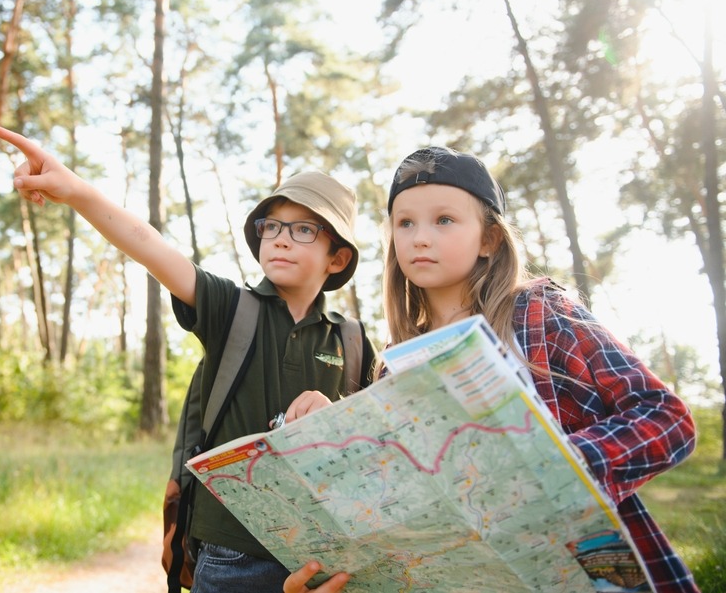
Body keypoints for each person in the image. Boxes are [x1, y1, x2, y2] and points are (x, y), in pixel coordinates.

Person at [283, 146, 698, 593]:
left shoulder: (539, 312)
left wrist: (550, 469)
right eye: (405, 223)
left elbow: (666, 417)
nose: (420, 237)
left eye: (444, 220)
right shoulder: (393, 365)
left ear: (489, 239)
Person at [0, 126, 378, 593]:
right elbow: (149, 245)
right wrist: (75, 191)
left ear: (336, 259)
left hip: (317, 557)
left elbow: (371, 448)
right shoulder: (231, 307)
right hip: (230, 552)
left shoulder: (353, 341)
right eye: (271, 226)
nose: (279, 239)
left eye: (302, 229)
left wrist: (332, 412)